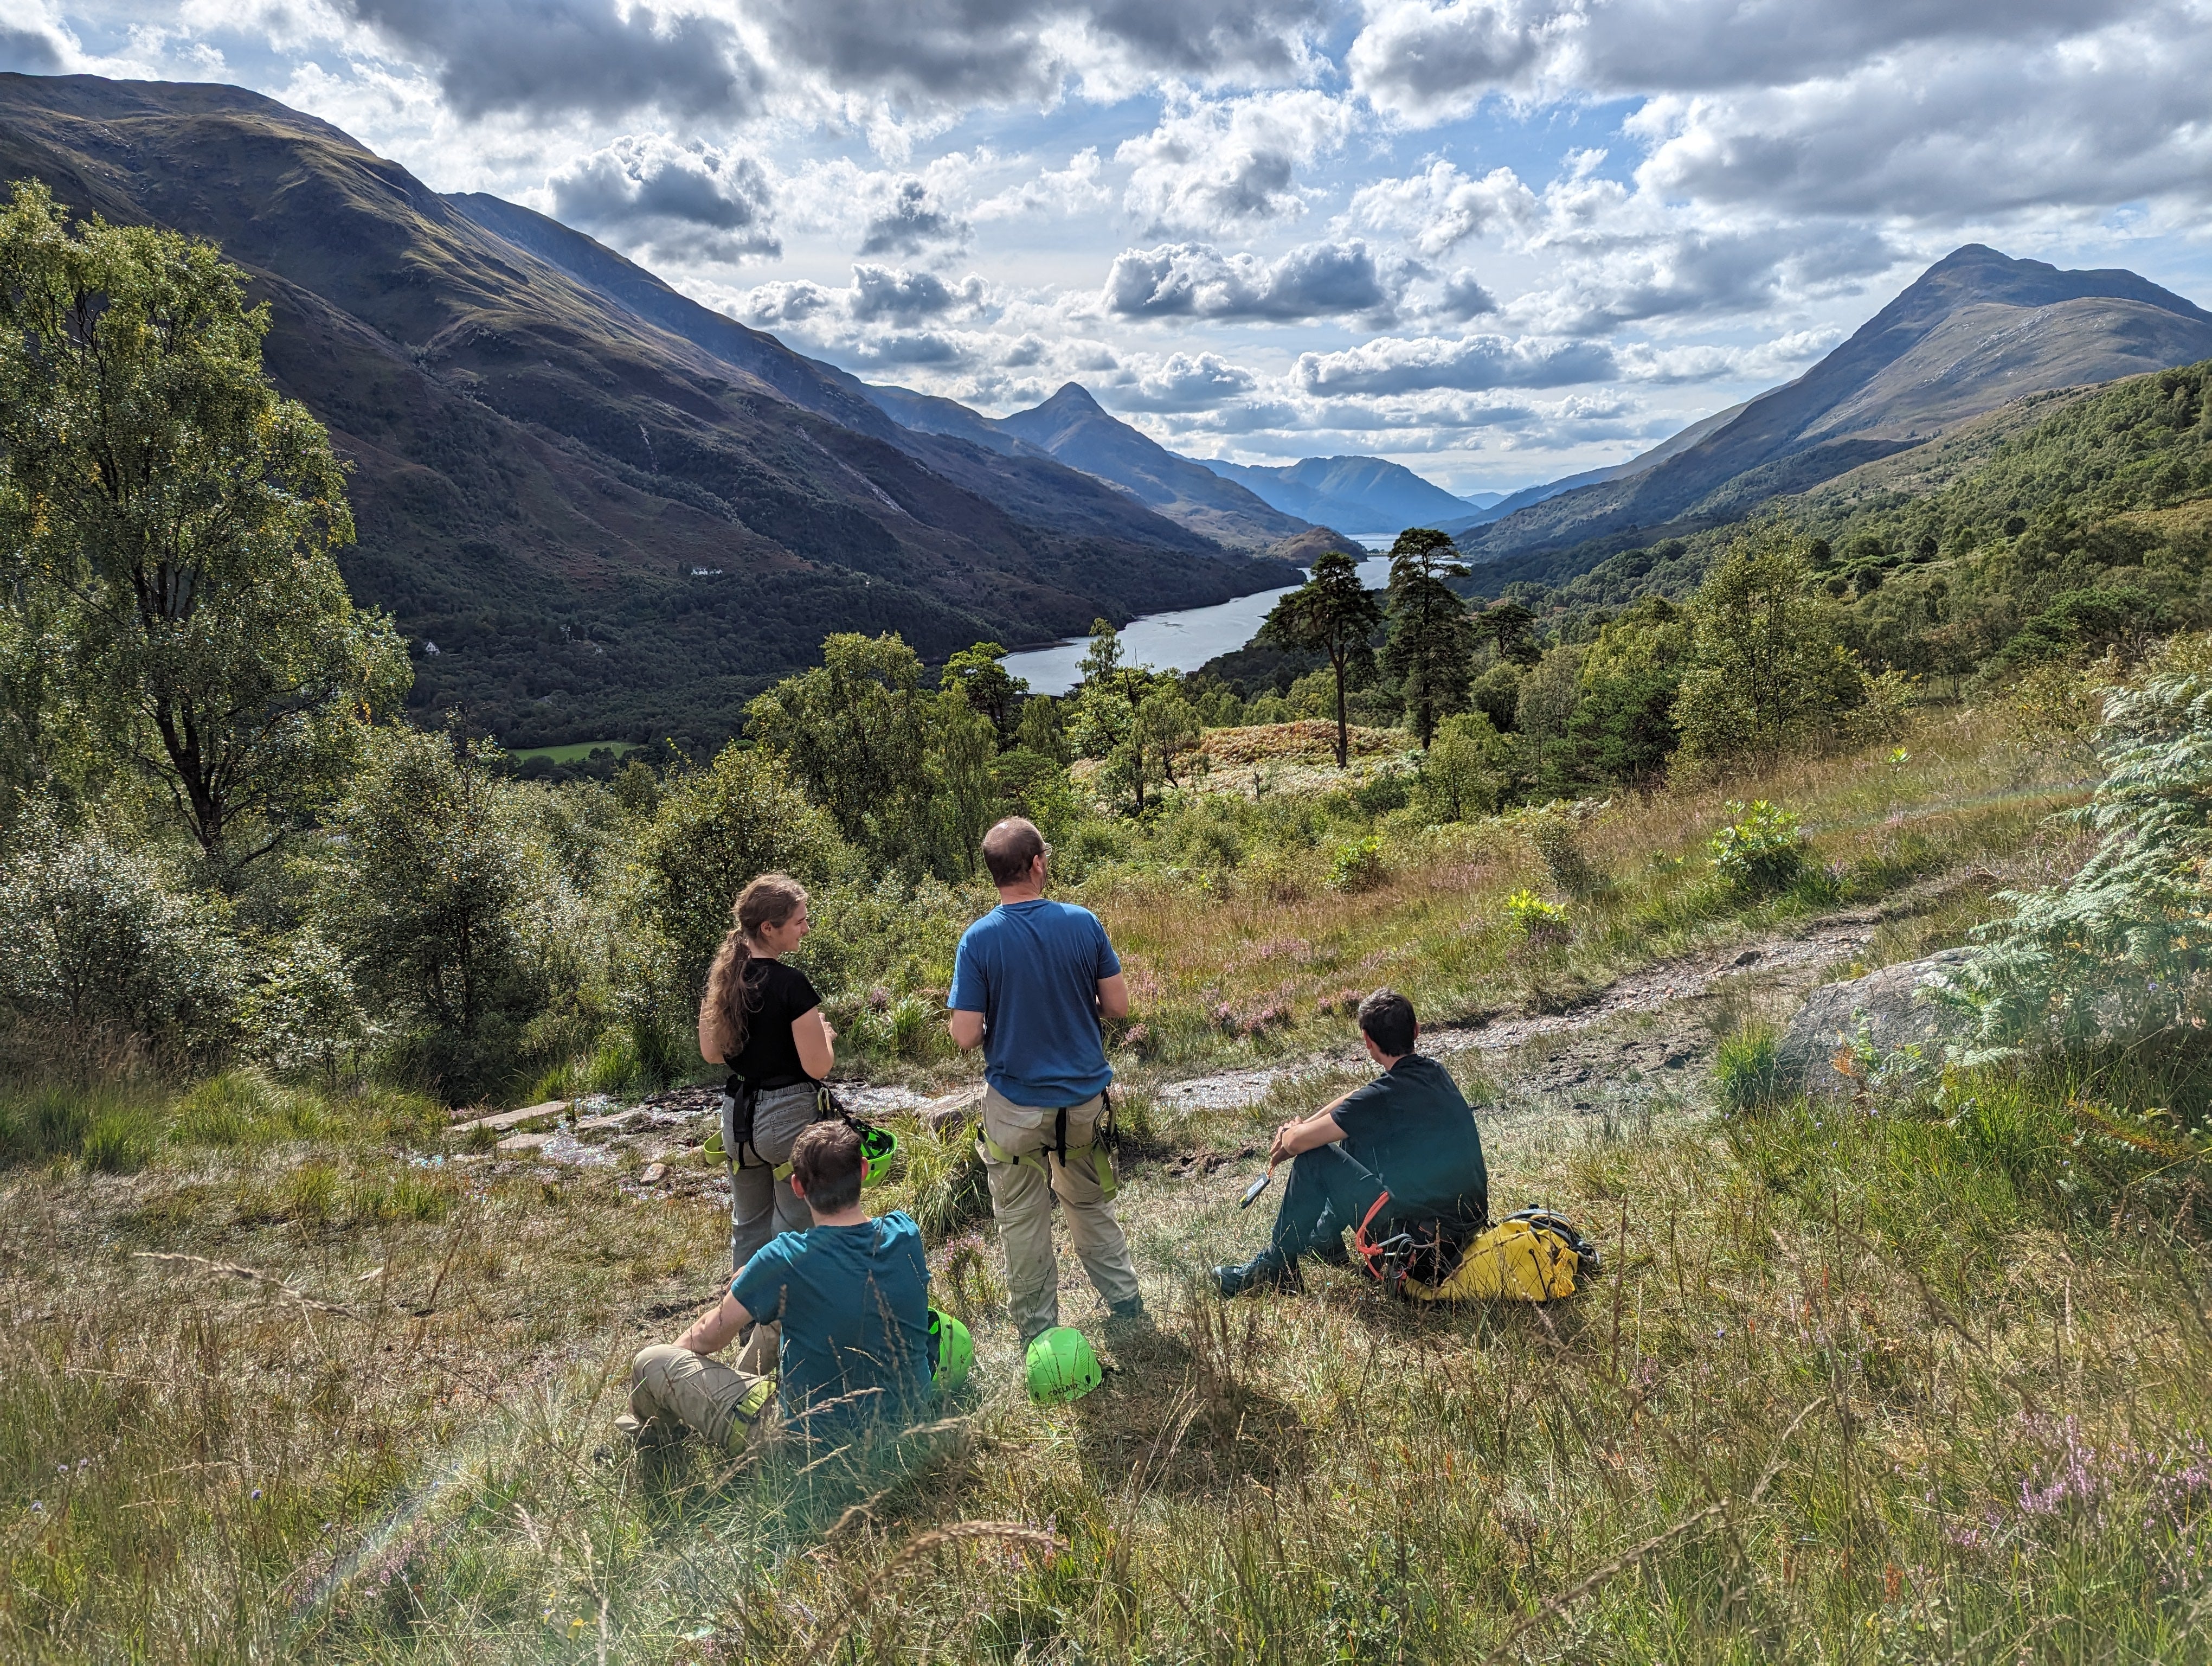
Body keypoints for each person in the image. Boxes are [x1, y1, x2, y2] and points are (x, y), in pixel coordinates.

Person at [948, 817, 1144, 1344]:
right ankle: (1125, 1302)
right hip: (1082, 1102)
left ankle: (1039, 1333)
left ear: (994, 874)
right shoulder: (1083, 923)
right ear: (1037, 864)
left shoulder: (978, 940)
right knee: (1088, 1202)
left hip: (1014, 1106)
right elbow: (1119, 1007)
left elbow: (964, 1035)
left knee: (1021, 1219)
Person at [621, 1120, 933, 1451]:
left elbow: (707, 1337)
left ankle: (655, 1437)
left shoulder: (784, 1259)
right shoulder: (905, 1232)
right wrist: (762, 1280)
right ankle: (738, 1386)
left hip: (810, 1450)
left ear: (797, 1187)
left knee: (650, 1361)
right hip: (909, 1429)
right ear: (865, 1170)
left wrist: (755, 1280)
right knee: (782, 1314)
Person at [1215, 988, 1489, 1296]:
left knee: (1314, 1160)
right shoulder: (1434, 1072)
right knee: (1354, 1134)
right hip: (1460, 1229)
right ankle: (1325, 1238)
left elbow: (1298, 1145)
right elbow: (1356, 1101)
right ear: (1416, 1030)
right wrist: (1306, 1124)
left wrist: (1291, 1132)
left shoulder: (1383, 1098)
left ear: (1368, 1042)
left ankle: (1275, 1268)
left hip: (1420, 1247)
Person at [699, 873, 838, 1276]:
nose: (806, 929)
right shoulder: (791, 984)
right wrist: (825, 1035)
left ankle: (749, 1328)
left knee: (749, 1228)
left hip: (738, 1119)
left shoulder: (724, 980)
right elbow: (818, 1066)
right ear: (768, 928)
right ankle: (784, 1328)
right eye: (799, 921)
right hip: (788, 1119)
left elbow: (711, 1053)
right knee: (794, 1226)